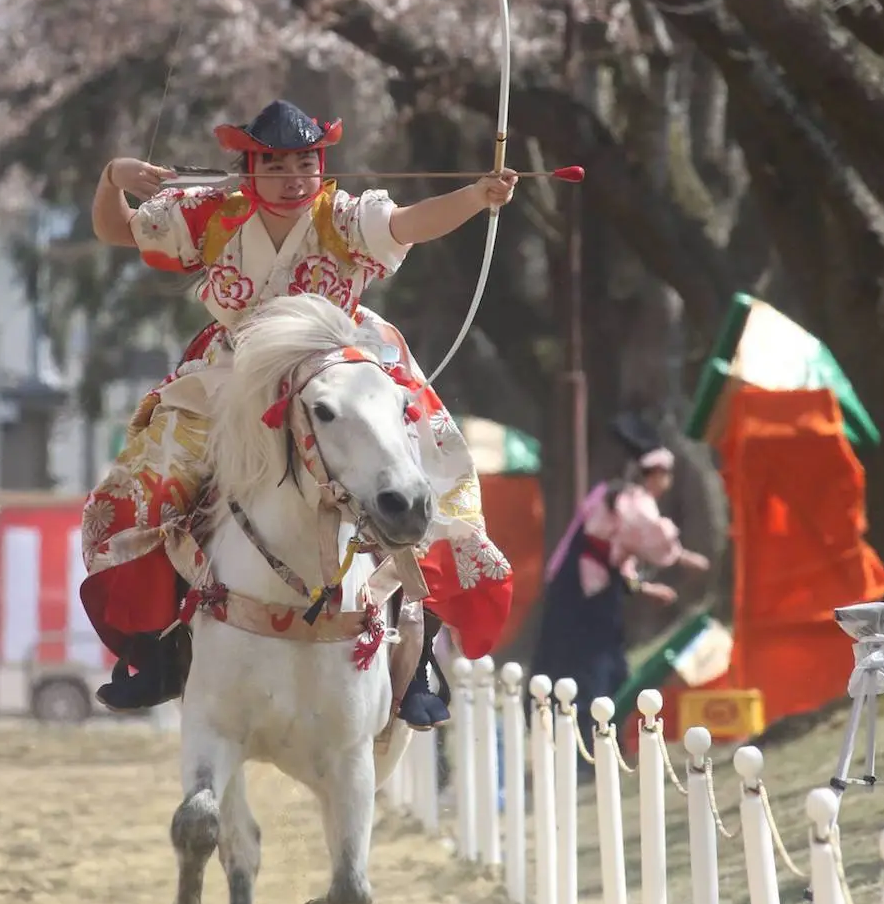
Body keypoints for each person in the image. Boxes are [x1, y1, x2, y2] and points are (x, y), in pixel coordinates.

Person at [80, 99, 518, 729]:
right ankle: (156, 647)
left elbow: (410, 223)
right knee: (140, 490)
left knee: (432, 481)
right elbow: (115, 228)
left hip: (339, 363)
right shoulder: (208, 212)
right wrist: (111, 178)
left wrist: (477, 197)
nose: (293, 177)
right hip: (234, 374)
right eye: (275, 163)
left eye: (306, 162)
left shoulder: (342, 215)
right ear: (247, 166)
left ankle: (420, 657)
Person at [531, 437, 709, 760]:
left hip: (592, 590)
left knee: (606, 667)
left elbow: (620, 555)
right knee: (586, 669)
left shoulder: (614, 496)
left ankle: (607, 742)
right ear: (653, 473)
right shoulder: (630, 500)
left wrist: (645, 588)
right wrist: (684, 558)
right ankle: (585, 749)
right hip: (583, 596)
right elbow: (652, 538)